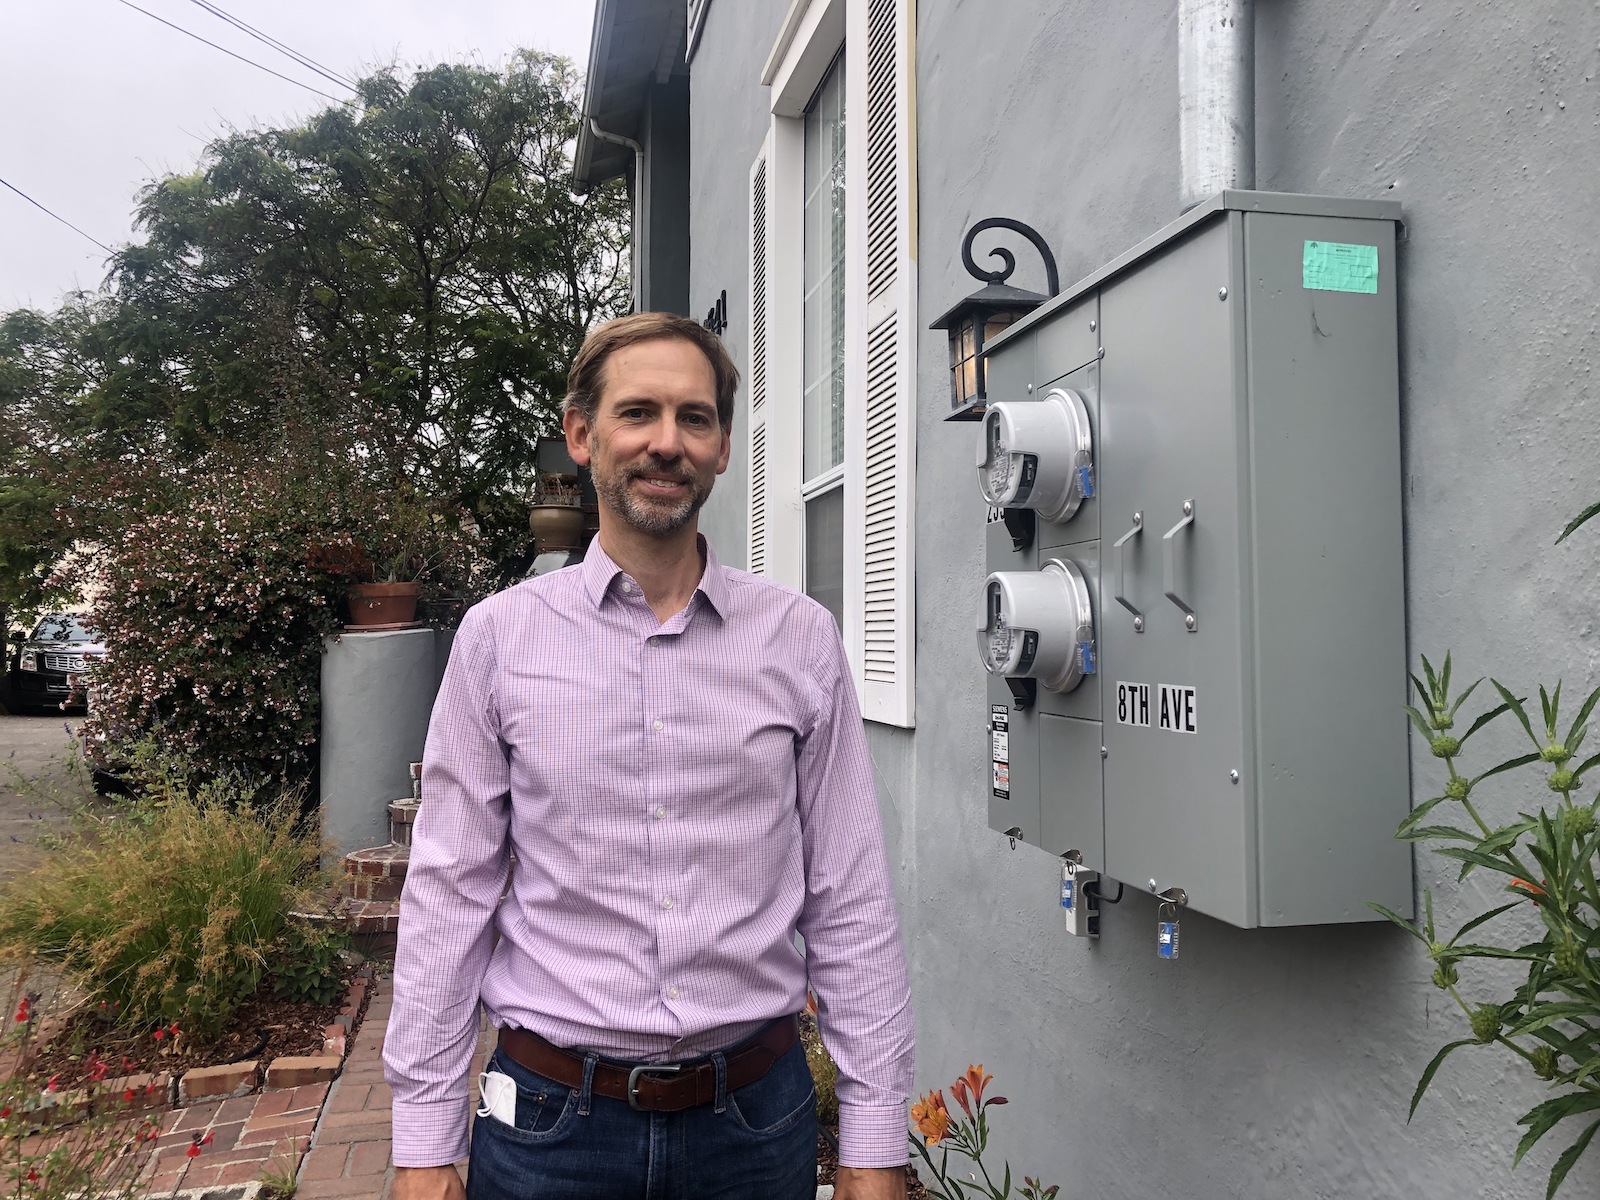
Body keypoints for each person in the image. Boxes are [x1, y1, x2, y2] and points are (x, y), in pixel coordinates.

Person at [385, 312, 915, 1200]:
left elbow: (851, 896)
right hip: (550, 1124)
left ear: (722, 447)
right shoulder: (498, 641)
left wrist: (872, 1138)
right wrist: (424, 1145)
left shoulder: (799, 640)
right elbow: (450, 889)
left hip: (754, 1124)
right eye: (638, 414)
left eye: (694, 418)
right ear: (582, 435)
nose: (666, 443)